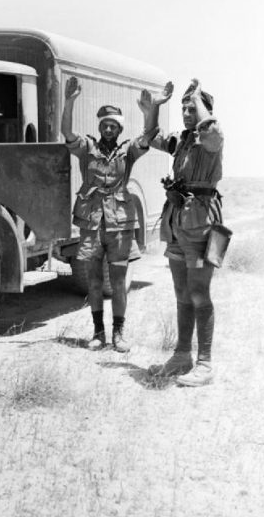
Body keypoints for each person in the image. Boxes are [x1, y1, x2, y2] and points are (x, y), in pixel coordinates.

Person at [61, 76, 173, 352]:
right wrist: (70, 101)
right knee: (95, 280)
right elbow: (67, 133)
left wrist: (152, 109)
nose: (109, 129)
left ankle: (118, 334)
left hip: (121, 225)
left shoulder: (128, 152)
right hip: (92, 224)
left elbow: (148, 136)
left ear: (119, 129)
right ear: (99, 127)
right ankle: (98, 333)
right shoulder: (88, 149)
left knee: (120, 281)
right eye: (105, 125)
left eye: (113, 126)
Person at [144, 79, 223, 387]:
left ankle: (204, 363)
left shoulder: (212, 138)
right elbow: (151, 136)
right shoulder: (184, 140)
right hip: (178, 222)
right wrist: (155, 107)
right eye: (184, 108)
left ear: (206, 111)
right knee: (181, 293)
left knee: (199, 293)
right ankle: (181, 356)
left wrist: (198, 95)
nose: (187, 112)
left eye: (193, 108)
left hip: (204, 225)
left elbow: (212, 131)